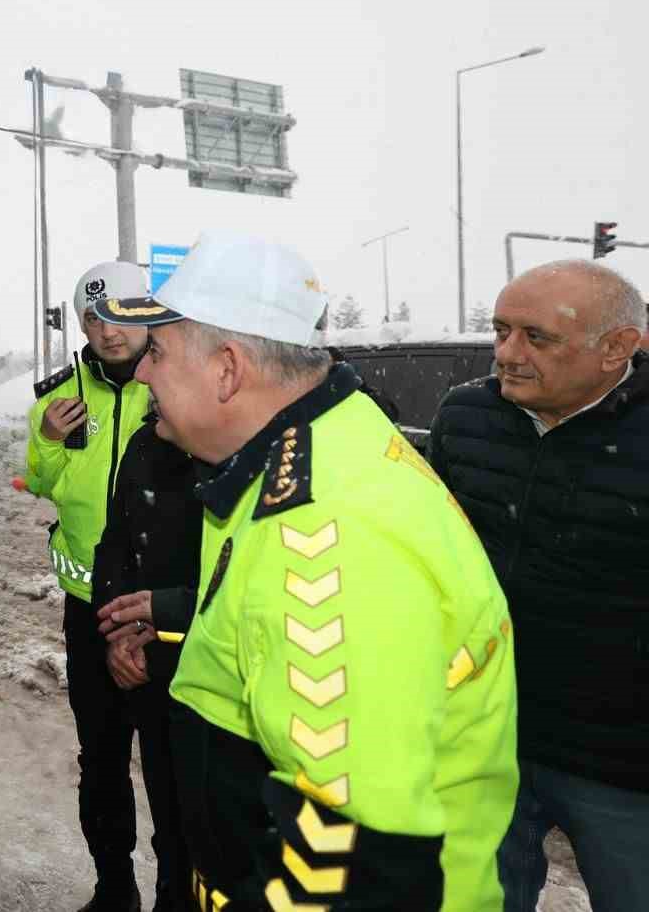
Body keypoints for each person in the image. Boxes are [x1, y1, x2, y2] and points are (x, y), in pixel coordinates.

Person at [102, 230, 516, 911]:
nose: (143, 372)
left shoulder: (324, 529)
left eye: (159, 352)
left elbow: (350, 855)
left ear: (228, 368)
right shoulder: (310, 449)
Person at [427, 259, 648, 912]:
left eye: (535, 337)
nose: (507, 354)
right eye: (500, 331)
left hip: (623, 765)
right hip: (486, 736)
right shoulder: (466, 416)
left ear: (617, 349)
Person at [24, 260, 153, 912]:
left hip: (162, 612)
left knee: (169, 766)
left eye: (122, 315)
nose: (108, 331)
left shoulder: (173, 386)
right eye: (94, 318)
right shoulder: (57, 397)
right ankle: (114, 887)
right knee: (100, 761)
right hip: (87, 610)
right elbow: (41, 483)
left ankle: (182, 892)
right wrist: (50, 441)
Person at [90, 414, 200, 912]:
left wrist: (172, 613)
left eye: (158, 352)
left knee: (209, 842)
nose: (145, 373)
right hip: (151, 666)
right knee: (171, 830)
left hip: (210, 672)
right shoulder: (147, 440)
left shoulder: (245, 448)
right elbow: (115, 544)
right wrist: (118, 631)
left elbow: (255, 593)